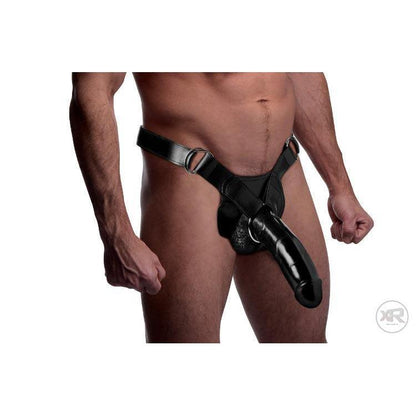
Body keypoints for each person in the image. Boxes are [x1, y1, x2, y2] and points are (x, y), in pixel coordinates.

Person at [69, 72, 373, 343]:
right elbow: (92, 89)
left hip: (284, 173)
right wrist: (116, 234)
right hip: (194, 178)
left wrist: (339, 185)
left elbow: (301, 72)